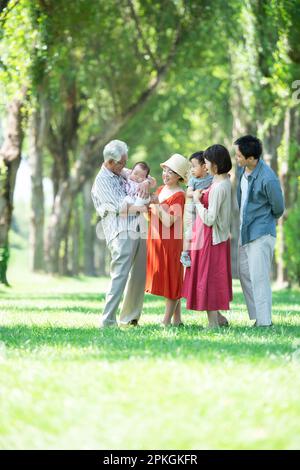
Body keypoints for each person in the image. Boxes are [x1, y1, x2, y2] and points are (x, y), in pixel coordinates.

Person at [91, 139, 150, 328]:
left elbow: (142, 176)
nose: (126, 168)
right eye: (122, 164)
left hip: (138, 229)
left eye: (125, 163)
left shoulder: (120, 171)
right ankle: (107, 320)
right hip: (121, 232)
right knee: (120, 275)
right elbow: (121, 208)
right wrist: (143, 207)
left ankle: (130, 318)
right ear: (110, 162)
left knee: (139, 274)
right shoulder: (102, 181)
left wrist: (147, 182)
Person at [234, 135, 285, 327]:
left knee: (259, 278)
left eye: (239, 156)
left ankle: (265, 322)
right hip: (245, 231)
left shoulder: (267, 178)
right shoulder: (243, 172)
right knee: (245, 274)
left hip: (261, 233)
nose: (237, 159)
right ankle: (258, 317)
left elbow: (279, 207)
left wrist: (262, 221)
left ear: (251, 158)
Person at [182, 144, 233, 328]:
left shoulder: (219, 187)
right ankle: (218, 318)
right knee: (207, 276)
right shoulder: (220, 182)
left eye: (208, 161)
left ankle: (213, 323)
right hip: (205, 236)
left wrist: (196, 201)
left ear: (215, 165)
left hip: (210, 237)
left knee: (209, 278)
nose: (206, 164)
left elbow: (210, 219)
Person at [145, 153, 189, 327]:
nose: (166, 174)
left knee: (172, 279)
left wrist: (155, 206)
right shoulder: (160, 190)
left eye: (171, 171)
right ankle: (177, 319)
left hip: (171, 242)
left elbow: (170, 220)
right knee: (169, 278)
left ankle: (166, 321)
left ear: (179, 176)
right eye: (165, 170)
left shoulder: (180, 195)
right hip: (156, 240)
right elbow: (150, 216)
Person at [180, 151, 213, 268]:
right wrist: (195, 193)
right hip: (192, 210)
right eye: (190, 167)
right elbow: (188, 193)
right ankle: (185, 254)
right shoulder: (193, 180)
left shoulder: (211, 178)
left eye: (194, 166)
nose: (192, 170)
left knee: (201, 234)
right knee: (189, 232)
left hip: (204, 210)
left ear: (204, 167)